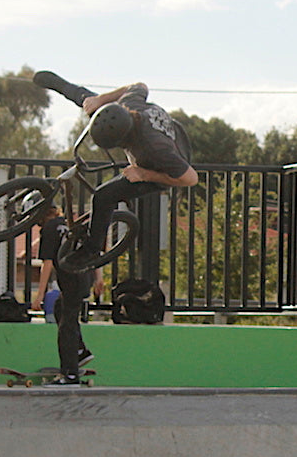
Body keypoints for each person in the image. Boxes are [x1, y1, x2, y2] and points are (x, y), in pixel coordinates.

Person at [31, 72, 197, 271]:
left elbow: (190, 178)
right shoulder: (128, 105)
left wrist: (144, 175)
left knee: (103, 196)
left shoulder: (156, 151)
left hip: (163, 169)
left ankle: (92, 250)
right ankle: (62, 86)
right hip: (155, 132)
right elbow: (139, 85)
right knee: (92, 104)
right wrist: (100, 100)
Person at [33, 206, 103, 386]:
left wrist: (39, 295)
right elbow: (93, 251)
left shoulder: (49, 229)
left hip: (72, 279)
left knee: (67, 324)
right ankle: (79, 351)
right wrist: (98, 279)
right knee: (60, 308)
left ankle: (70, 374)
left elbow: (47, 263)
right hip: (84, 276)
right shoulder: (70, 225)